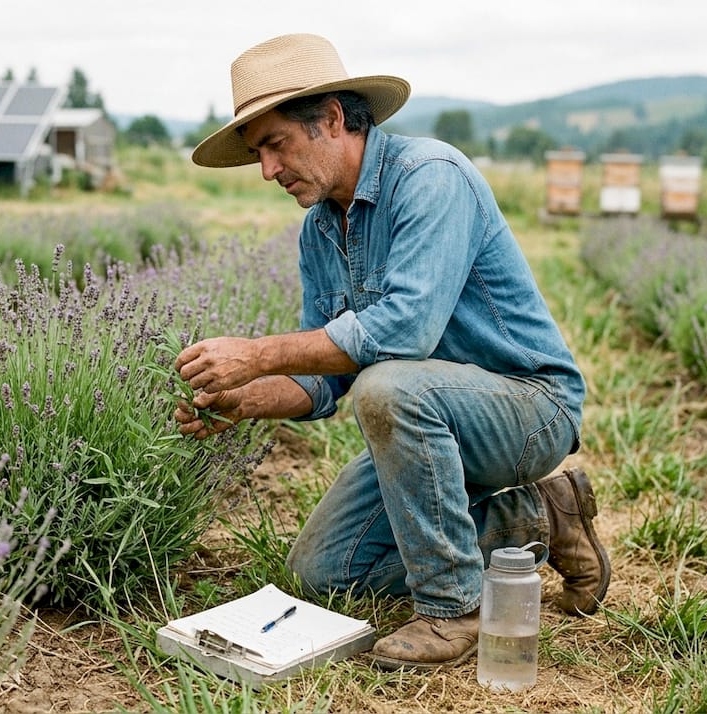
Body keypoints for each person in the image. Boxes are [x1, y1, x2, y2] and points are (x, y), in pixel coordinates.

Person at [173, 33, 609, 670]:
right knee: (326, 573)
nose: (267, 169)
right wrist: (245, 399)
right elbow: (326, 383)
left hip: (528, 408)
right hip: (428, 421)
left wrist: (258, 352)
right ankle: (541, 515)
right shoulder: (321, 228)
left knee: (389, 385)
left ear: (329, 119)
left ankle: (451, 609)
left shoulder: (431, 178)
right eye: (257, 152)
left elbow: (404, 333)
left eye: (274, 144)